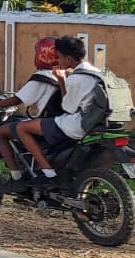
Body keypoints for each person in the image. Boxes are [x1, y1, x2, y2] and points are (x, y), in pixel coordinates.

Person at [11, 36, 99, 187]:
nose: (57, 61)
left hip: (78, 124)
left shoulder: (75, 79)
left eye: (59, 57)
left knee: (22, 128)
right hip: (98, 122)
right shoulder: (96, 72)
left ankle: (49, 173)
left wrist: (62, 81)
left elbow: (68, 108)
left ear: (69, 58)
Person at [0, 38, 64, 189]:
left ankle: (16, 178)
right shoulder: (65, 74)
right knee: (20, 121)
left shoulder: (42, 77)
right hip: (63, 120)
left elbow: (17, 100)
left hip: (47, 123)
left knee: (0, 132)